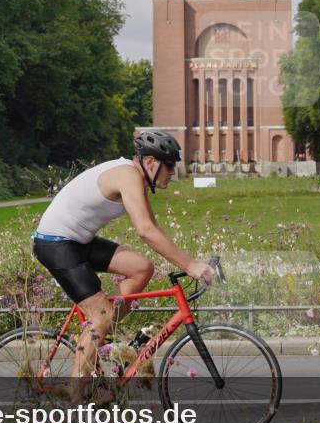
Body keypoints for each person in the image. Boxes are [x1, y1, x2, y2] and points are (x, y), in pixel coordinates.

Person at [32, 130, 214, 402]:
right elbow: (144, 230)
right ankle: (75, 401)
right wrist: (190, 266)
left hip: (78, 240)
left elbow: (154, 229)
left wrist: (189, 261)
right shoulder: (128, 176)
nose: (173, 173)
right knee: (101, 317)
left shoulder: (136, 177)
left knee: (142, 268)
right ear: (151, 162)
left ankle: (98, 342)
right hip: (56, 243)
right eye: (170, 166)